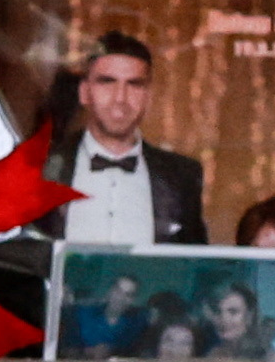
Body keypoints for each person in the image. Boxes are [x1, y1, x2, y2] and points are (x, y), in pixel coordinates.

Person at [40, 31, 206, 246]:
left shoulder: (182, 177)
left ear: (148, 97)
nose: (120, 98)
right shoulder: (41, 169)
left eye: (134, 84)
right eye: (107, 82)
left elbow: (195, 261)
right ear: (84, 92)